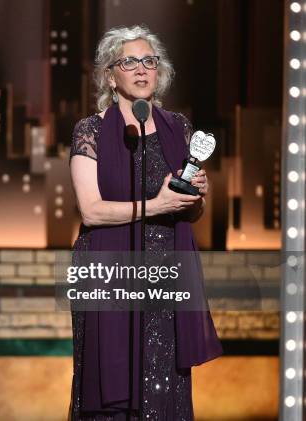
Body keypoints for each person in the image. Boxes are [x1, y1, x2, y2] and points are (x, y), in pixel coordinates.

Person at [68, 26, 222, 420]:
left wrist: (193, 196)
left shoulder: (180, 128)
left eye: (149, 61)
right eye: (129, 62)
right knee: (112, 382)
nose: (141, 70)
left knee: (163, 382)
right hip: (110, 272)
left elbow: (192, 213)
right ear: (110, 75)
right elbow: (91, 210)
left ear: (160, 72)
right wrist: (157, 204)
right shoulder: (91, 131)